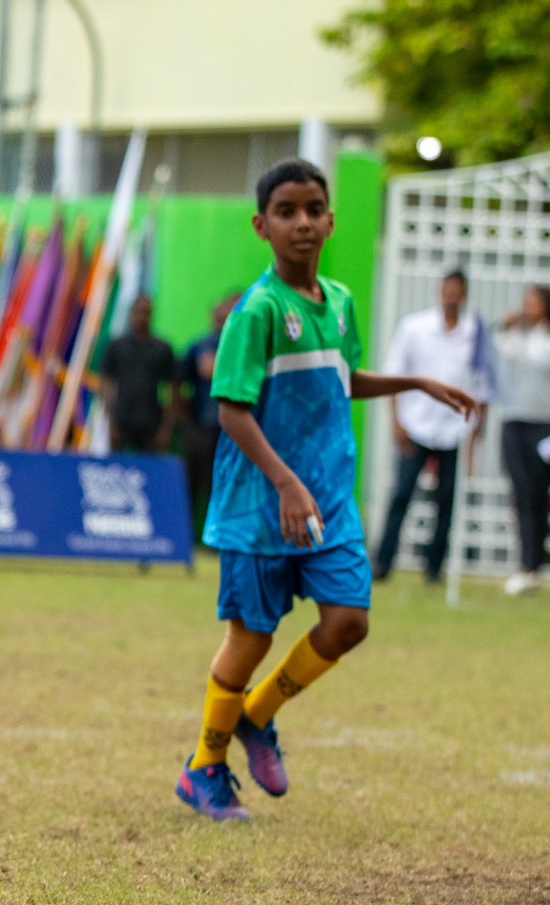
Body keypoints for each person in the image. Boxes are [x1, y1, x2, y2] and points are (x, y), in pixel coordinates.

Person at [177, 158, 476, 821]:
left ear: (330, 219)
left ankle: (256, 716)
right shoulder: (256, 311)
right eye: (286, 211)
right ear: (262, 225)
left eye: (314, 209)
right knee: (250, 639)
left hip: (326, 500)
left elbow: (341, 378)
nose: (302, 223)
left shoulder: (338, 301)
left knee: (348, 622)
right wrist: (283, 482)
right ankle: (203, 765)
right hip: (262, 504)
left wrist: (415, 383)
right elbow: (231, 409)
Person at [371, 271, 491, 583]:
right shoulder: (415, 328)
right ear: (440, 292)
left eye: (457, 292)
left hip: (454, 429)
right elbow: (394, 374)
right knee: (401, 495)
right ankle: (383, 561)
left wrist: (477, 430)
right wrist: (396, 422)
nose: (451, 297)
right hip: (418, 423)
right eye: (447, 290)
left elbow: (483, 385)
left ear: (464, 295)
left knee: (447, 500)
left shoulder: (474, 333)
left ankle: (434, 567)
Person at [496, 285, 550, 595]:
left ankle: (536, 557)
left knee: (540, 496)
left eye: (534, 303)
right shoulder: (515, 335)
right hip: (515, 423)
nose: (528, 307)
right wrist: (510, 324)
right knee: (523, 495)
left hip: (544, 425)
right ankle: (527, 564)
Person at [180, 295, 238, 538]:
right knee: (196, 480)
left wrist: (218, 368)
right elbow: (183, 385)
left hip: (235, 427)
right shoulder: (199, 345)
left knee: (226, 481)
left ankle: (221, 535)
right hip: (203, 423)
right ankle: (189, 534)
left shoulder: (240, 346)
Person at [100, 294, 178, 453]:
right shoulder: (117, 346)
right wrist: (109, 420)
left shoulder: (162, 348)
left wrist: (166, 426)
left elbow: (172, 388)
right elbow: (107, 383)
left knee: (150, 469)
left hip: (151, 421)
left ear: (151, 314)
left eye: (145, 312)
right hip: (121, 419)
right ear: (131, 313)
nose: (141, 316)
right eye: (138, 311)